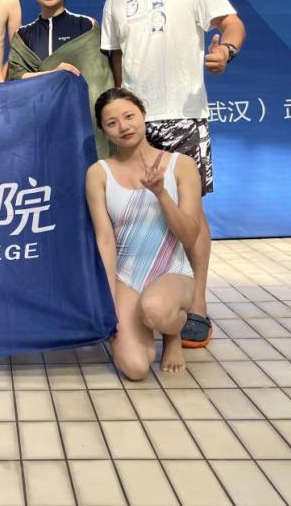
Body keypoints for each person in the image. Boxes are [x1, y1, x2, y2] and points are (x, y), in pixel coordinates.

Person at [101, 0, 247, 348]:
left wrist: (226, 51)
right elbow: (116, 60)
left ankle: (197, 306)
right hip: (137, 122)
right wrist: (122, 112)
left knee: (191, 214)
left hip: (184, 114)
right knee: (142, 214)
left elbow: (231, 23)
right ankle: (148, 297)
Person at [85, 88, 202, 380]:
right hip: (126, 276)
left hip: (173, 272)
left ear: (143, 114)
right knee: (135, 368)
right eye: (112, 123)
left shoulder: (181, 165)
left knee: (156, 309)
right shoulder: (98, 173)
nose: (123, 127)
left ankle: (173, 333)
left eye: (129, 116)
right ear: (102, 130)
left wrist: (161, 193)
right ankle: (146, 321)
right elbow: (105, 240)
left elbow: (190, 237)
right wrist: (109, 302)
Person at [7, 0, 115, 158]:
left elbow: (101, 81)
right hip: (42, 127)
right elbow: (16, 79)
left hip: (85, 125)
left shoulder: (87, 27)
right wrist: (54, 75)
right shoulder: (22, 36)